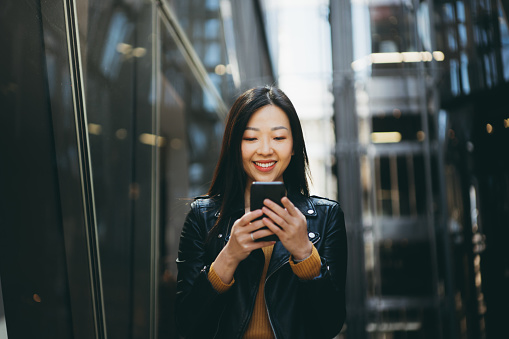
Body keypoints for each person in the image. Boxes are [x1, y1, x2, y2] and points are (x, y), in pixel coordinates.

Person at [175, 86, 347, 339]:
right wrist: (230, 256)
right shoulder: (202, 216)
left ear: (294, 146)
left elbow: (329, 325)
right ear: (235, 145)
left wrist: (304, 252)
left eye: (278, 138)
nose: (265, 149)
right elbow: (187, 326)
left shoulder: (326, 217)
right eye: (250, 138)